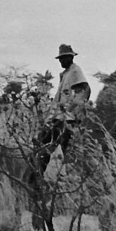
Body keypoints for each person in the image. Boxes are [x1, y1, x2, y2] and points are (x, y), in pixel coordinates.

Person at [33, 44, 92, 176]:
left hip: (66, 120)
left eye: (64, 58)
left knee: (46, 148)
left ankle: (35, 181)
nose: (61, 61)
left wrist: (73, 112)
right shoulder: (66, 74)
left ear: (71, 57)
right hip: (59, 118)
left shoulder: (75, 71)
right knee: (45, 148)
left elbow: (85, 90)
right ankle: (37, 179)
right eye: (60, 59)